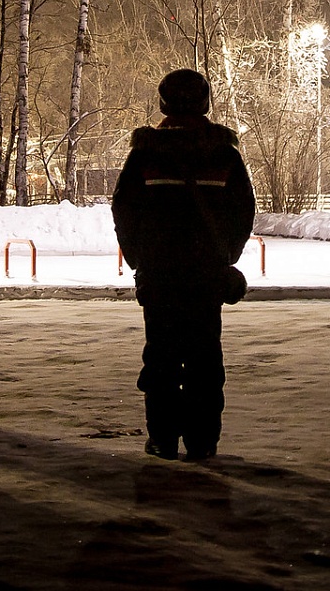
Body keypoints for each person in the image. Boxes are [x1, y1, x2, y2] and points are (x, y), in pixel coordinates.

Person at [111, 68, 255, 461]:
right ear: (206, 102)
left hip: (160, 275)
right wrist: (225, 256)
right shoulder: (223, 153)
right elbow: (243, 211)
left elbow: (123, 209)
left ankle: (162, 440)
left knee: (161, 356)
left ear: (163, 103)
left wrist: (140, 258)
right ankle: (203, 441)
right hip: (206, 273)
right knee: (205, 357)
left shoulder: (145, 152)